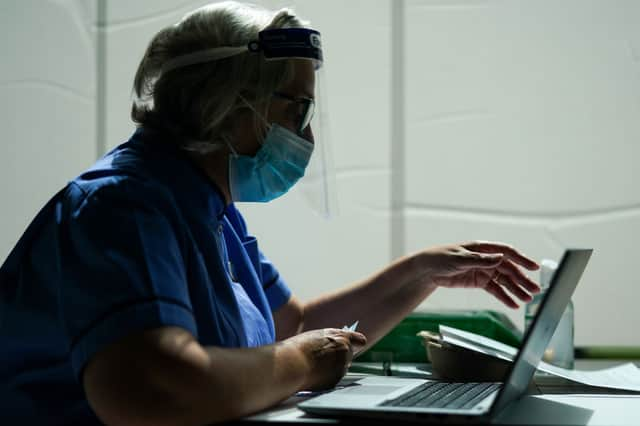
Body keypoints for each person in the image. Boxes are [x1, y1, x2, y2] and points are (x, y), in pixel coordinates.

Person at [0, 2, 540, 425]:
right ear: (227, 102)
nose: (305, 137)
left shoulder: (207, 207)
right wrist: (303, 361)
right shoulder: (122, 207)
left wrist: (419, 272)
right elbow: (150, 392)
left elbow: (298, 324)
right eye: (295, 109)